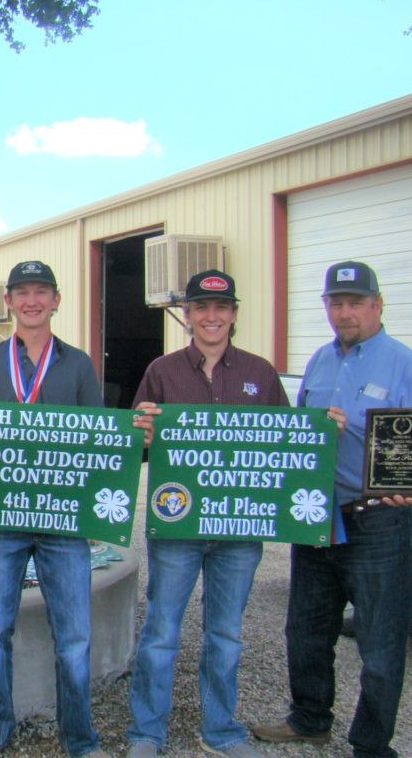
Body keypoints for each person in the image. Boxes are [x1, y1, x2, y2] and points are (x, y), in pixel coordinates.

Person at [0, 260, 127, 758]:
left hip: (64, 524)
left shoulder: (80, 364)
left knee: (74, 640)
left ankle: (80, 740)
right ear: (8, 303)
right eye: (21, 292)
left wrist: (134, 439)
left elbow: (101, 438)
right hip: (2, 523)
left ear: (56, 300)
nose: (31, 301)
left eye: (41, 291)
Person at [252, 261, 412, 758]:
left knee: (379, 645)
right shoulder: (319, 362)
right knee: (306, 631)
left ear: (377, 305)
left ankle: (372, 746)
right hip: (315, 516)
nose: (345, 312)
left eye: (355, 302)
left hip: (377, 519)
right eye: (336, 302)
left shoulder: (406, 365)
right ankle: (310, 719)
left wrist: (410, 489)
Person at [125, 269, 287, 758]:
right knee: (160, 632)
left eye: (221, 308)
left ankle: (221, 731)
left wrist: (325, 432)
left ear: (233, 314)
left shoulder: (261, 373)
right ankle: (146, 733)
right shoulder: (162, 371)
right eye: (201, 308)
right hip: (177, 527)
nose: (211, 317)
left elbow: (286, 446)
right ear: (187, 316)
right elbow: (136, 445)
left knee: (226, 633)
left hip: (239, 528)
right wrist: (144, 435)